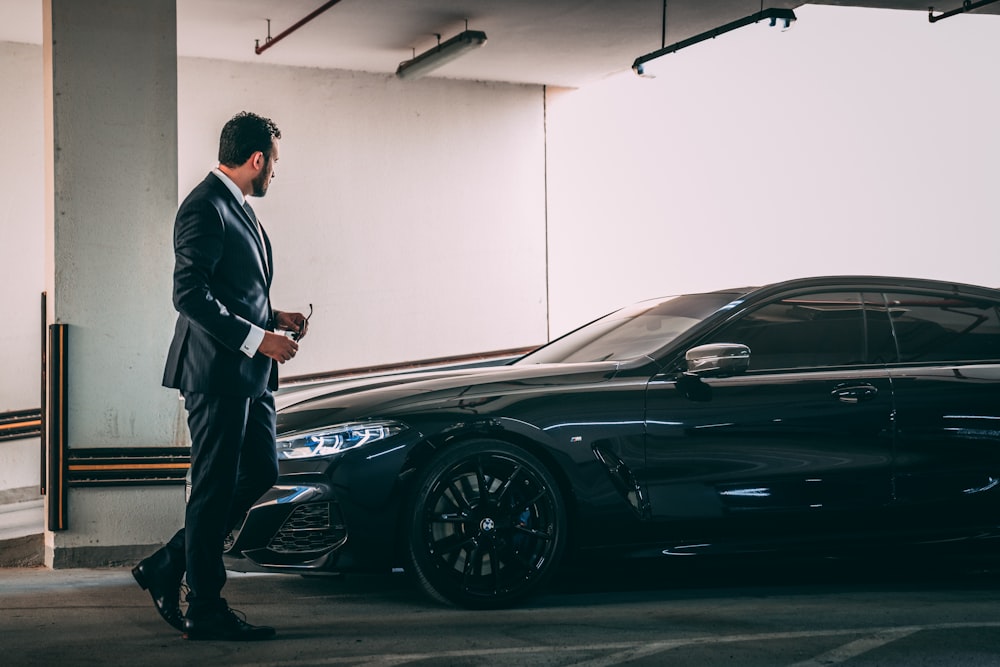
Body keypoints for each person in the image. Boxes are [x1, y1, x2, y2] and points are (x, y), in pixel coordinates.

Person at [132, 111, 309, 641]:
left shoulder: (238, 208)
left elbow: (230, 288)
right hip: (216, 374)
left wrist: (273, 317)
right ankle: (204, 607)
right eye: (274, 162)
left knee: (261, 470)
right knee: (211, 489)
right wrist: (260, 339)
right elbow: (189, 295)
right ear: (256, 159)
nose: (275, 172)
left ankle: (170, 562)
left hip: (248, 375)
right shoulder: (204, 207)